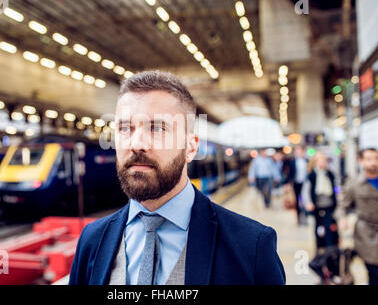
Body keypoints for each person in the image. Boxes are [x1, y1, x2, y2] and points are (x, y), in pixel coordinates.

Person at [69, 71, 285, 285]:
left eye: (156, 128)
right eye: (125, 128)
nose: (136, 143)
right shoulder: (92, 240)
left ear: (191, 148)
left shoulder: (252, 247)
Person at [338, 148, 378, 285]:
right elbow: (343, 206)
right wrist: (342, 219)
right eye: (368, 159)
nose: (373, 162)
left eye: (376, 158)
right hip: (366, 233)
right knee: (374, 270)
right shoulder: (354, 184)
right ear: (360, 161)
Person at [302, 152, 339, 250]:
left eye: (324, 160)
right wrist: (308, 202)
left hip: (329, 205)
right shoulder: (311, 175)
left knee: (330, 226)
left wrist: (338, 197)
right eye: (320, 160)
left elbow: (336, 188)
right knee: (319, 227)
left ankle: (330, 246)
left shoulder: (330, 174)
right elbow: (306, 190)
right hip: (317, 206)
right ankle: (320, 246)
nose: (323, 162)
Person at [288, 145, 308, 225]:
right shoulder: (292, 162)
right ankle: (299, 217)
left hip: (305, 184)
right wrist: (288, 183)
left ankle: (305, 216)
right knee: (297, 201)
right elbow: (290, 173)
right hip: (296, 183)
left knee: (305, 200)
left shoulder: (306, 161)